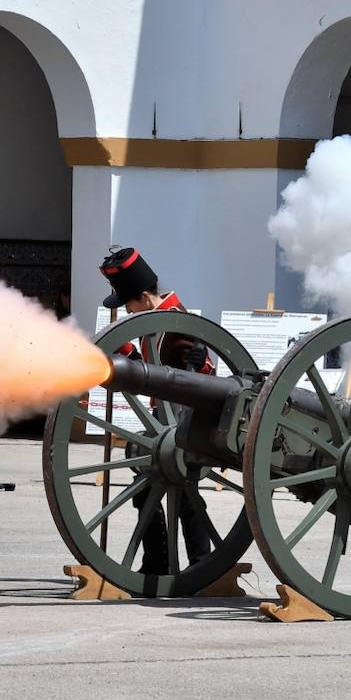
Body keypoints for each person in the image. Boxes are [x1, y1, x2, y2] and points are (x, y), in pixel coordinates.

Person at [99, 246, 215, 576]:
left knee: (185, 495)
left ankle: (199, 564)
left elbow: (204, 376)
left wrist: (201, 365)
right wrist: (126, 357)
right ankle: (158, 563)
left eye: (128, 305)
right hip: (165, 426)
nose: (127, 312)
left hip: (188, 424)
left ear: (144, 298)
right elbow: (154, 374)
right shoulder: (155, 325)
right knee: (147, 491)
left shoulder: (177, 322)